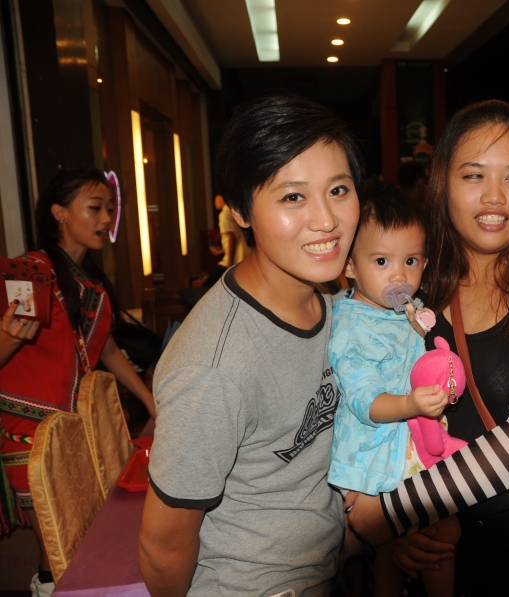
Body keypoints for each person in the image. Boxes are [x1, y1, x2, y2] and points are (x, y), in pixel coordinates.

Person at [345, 100, 509, 597]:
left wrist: (395, 511)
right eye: (474, 175)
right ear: (443, 182)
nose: (494, 196)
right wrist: (396, 530)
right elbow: (364, 402)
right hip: (431, 556)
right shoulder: (413, 290)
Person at [138, 95, 361, 597]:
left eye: (339, 190)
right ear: (241, 211)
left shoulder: (332, 297)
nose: (327, 220)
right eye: (293, 197)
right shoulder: (214, 367)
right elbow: (162, 547)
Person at [0, 167, 156, 597]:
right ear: (59, 213)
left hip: (73, 433)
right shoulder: (30, 272)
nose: (107, 218)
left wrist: (149, 399)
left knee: (79, 542)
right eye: (95, 208)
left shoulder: (89, 282)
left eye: (110, 208)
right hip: (29, 436)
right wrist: (9, 337)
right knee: (58, 548)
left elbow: (106, 348)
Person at [328, 181, 460, 597]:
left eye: (411, 260)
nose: (400, 275)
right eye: (382, 261)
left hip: (405, 446)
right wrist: (411, 403)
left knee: (402, 547)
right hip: (374, 457)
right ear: (350, 266)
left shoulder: (404, 310)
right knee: (439, 532)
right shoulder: (351, 326)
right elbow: (365, 400)